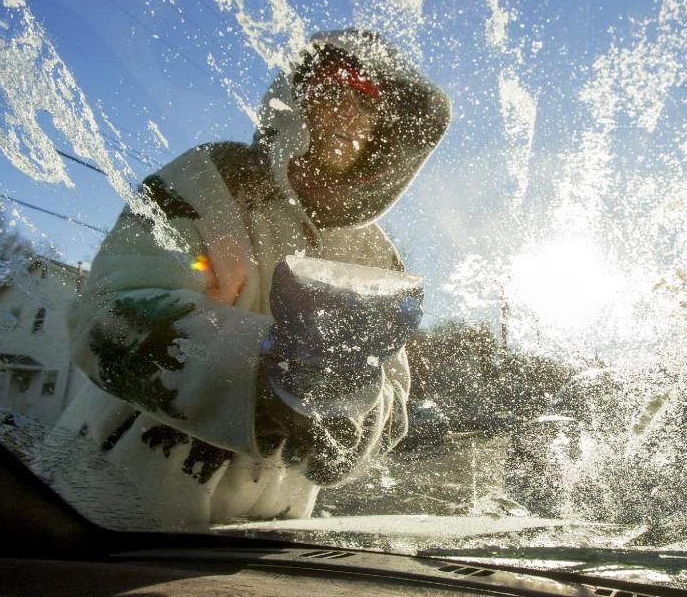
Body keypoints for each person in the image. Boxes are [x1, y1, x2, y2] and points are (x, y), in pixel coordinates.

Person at [48, 29, 451, 527]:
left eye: (371, 107)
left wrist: (351, 426)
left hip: (267, 538)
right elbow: (110, 312)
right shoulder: (212, 177)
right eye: (340, 89)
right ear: (298, 94)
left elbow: (391, 387)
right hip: (103, 516)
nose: (351, 115)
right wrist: (268, 381)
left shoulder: (376, 254)